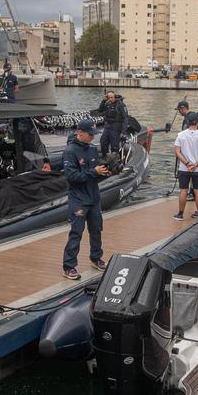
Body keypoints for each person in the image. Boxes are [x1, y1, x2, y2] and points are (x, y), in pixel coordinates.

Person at [62, 118, 110, 279]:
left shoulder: (92, 148)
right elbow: (71, 177)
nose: (92, 137)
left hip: (94, 196)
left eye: (94, 134)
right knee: (76, 232)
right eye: (90, 134)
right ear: (80, 133)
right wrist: (93, 172)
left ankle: (96, 258)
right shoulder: (70, 151)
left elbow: (94, 172)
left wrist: (105, 172)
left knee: (96, 229)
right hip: (78, 198)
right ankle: (69, 266)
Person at [173, 112, 198, 220]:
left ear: (187, 121)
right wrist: (195, 164)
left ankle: (180, 214)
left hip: (184, 168)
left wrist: (187, 163)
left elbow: (177, 152)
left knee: (183, 190)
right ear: (197, 122)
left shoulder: (181, 135)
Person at [98, 91, 128, 156]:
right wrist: (103, 101)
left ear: (114, 97)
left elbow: (125, 118)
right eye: (109, 98)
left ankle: (114, 161)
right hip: (107, 126)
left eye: (112, 97)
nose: (110, 99)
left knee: (114, 146)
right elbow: (100, 110)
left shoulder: (120, 104)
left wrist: (123, 131)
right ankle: (105, 157)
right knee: (103, 142)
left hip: (115, 128)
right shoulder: (107, 103)